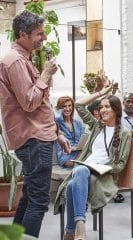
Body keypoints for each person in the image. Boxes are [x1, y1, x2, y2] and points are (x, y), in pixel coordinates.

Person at [0, 10, 70, 238]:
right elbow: (29, 102)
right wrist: (46, 74)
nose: (45, 38)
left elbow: (40, 106)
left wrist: (56, 133)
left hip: (38, 135)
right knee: (39, 201)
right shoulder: (15, 62)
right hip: (33, 139)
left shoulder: (23, 59)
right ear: (23, 34)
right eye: (39, 34)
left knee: (31, 196)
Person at [54, 81, 132, 240]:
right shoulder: (97, 126)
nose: (102, 110)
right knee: (76, 177)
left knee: (74, 179)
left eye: (107, 107)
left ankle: (72, 230)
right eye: (101, 107)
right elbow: (79, 106)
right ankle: (78, 227)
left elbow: (120, 165)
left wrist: (100, 167)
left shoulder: (124, 133)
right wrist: (101, 93)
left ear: (116, 110)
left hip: (102, 175)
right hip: (84, 169)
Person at [55, 96, 85, 168]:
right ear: (60, 108)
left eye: (69, 106)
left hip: (79, 153)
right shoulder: (57, 122)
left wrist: (77, 147)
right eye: (64, 106)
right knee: (80, 164)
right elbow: (56, 116)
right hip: (65, 155)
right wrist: (59, 111)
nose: (67, 109)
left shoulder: (78, 123)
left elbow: (83, 140)